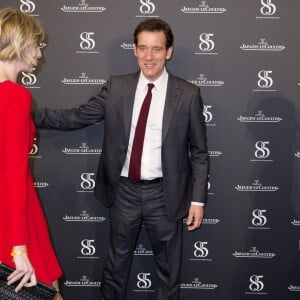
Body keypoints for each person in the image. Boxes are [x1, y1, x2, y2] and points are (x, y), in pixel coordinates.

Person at [35, 18, 209, 300]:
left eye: (156, 49)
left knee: (169, 273)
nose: (149, 57)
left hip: (166, 195)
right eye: (143, 48)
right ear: (135, 50)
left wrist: (197, 200)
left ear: (169, 51)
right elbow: (77, 116)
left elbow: (199, 152)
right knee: (115, 270)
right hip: (124, 191)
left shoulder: (188, 94)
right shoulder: (117, 87)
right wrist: (27, 114)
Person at [0, 7, 63, 298]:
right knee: (45, 290)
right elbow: (12, 174)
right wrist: (19, 248)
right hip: (16, 217)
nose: (39, 54)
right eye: (36, 46)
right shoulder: (15, 96)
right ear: (20, 44)